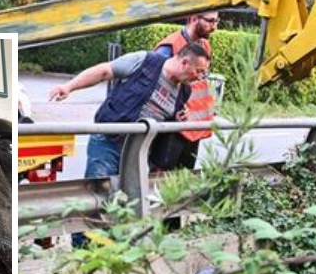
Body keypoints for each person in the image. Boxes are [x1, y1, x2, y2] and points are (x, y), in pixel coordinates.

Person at [49, 43, 211, 178]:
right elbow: (104, 71)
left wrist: (177, 120)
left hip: (139, 152)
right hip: (109, 141)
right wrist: (69, 86)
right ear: (184, 63)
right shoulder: (145, 61)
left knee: (129, 204)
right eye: (199, 71)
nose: (199, 77)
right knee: (101, 195)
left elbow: (165, 123)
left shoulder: (185, 91)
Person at [152, 11, 220, 169]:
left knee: (185, 177)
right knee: (163, 178)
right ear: (194, 19)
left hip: (194, 127)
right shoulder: (169, 47)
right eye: (210, 21)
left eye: (217, 21)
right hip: (173, 127)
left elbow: (201, 83)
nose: (214, 27)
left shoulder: (204, 45)